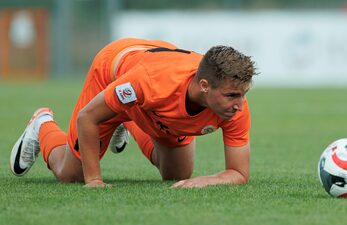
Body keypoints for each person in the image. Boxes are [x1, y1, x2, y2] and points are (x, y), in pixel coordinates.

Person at [10, 38, 257, 188]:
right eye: (232, 96)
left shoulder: (234, 105)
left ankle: (124, 121)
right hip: (113, 72)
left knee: (177, 174)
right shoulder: (149, 83)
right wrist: (94, 180)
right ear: (204, 87)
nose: (239, 104)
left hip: (151, 78)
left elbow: (238, 172)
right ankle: (42, 123)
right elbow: (88, 117)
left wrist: (208, 180)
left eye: (243, 94)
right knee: (71, 174)